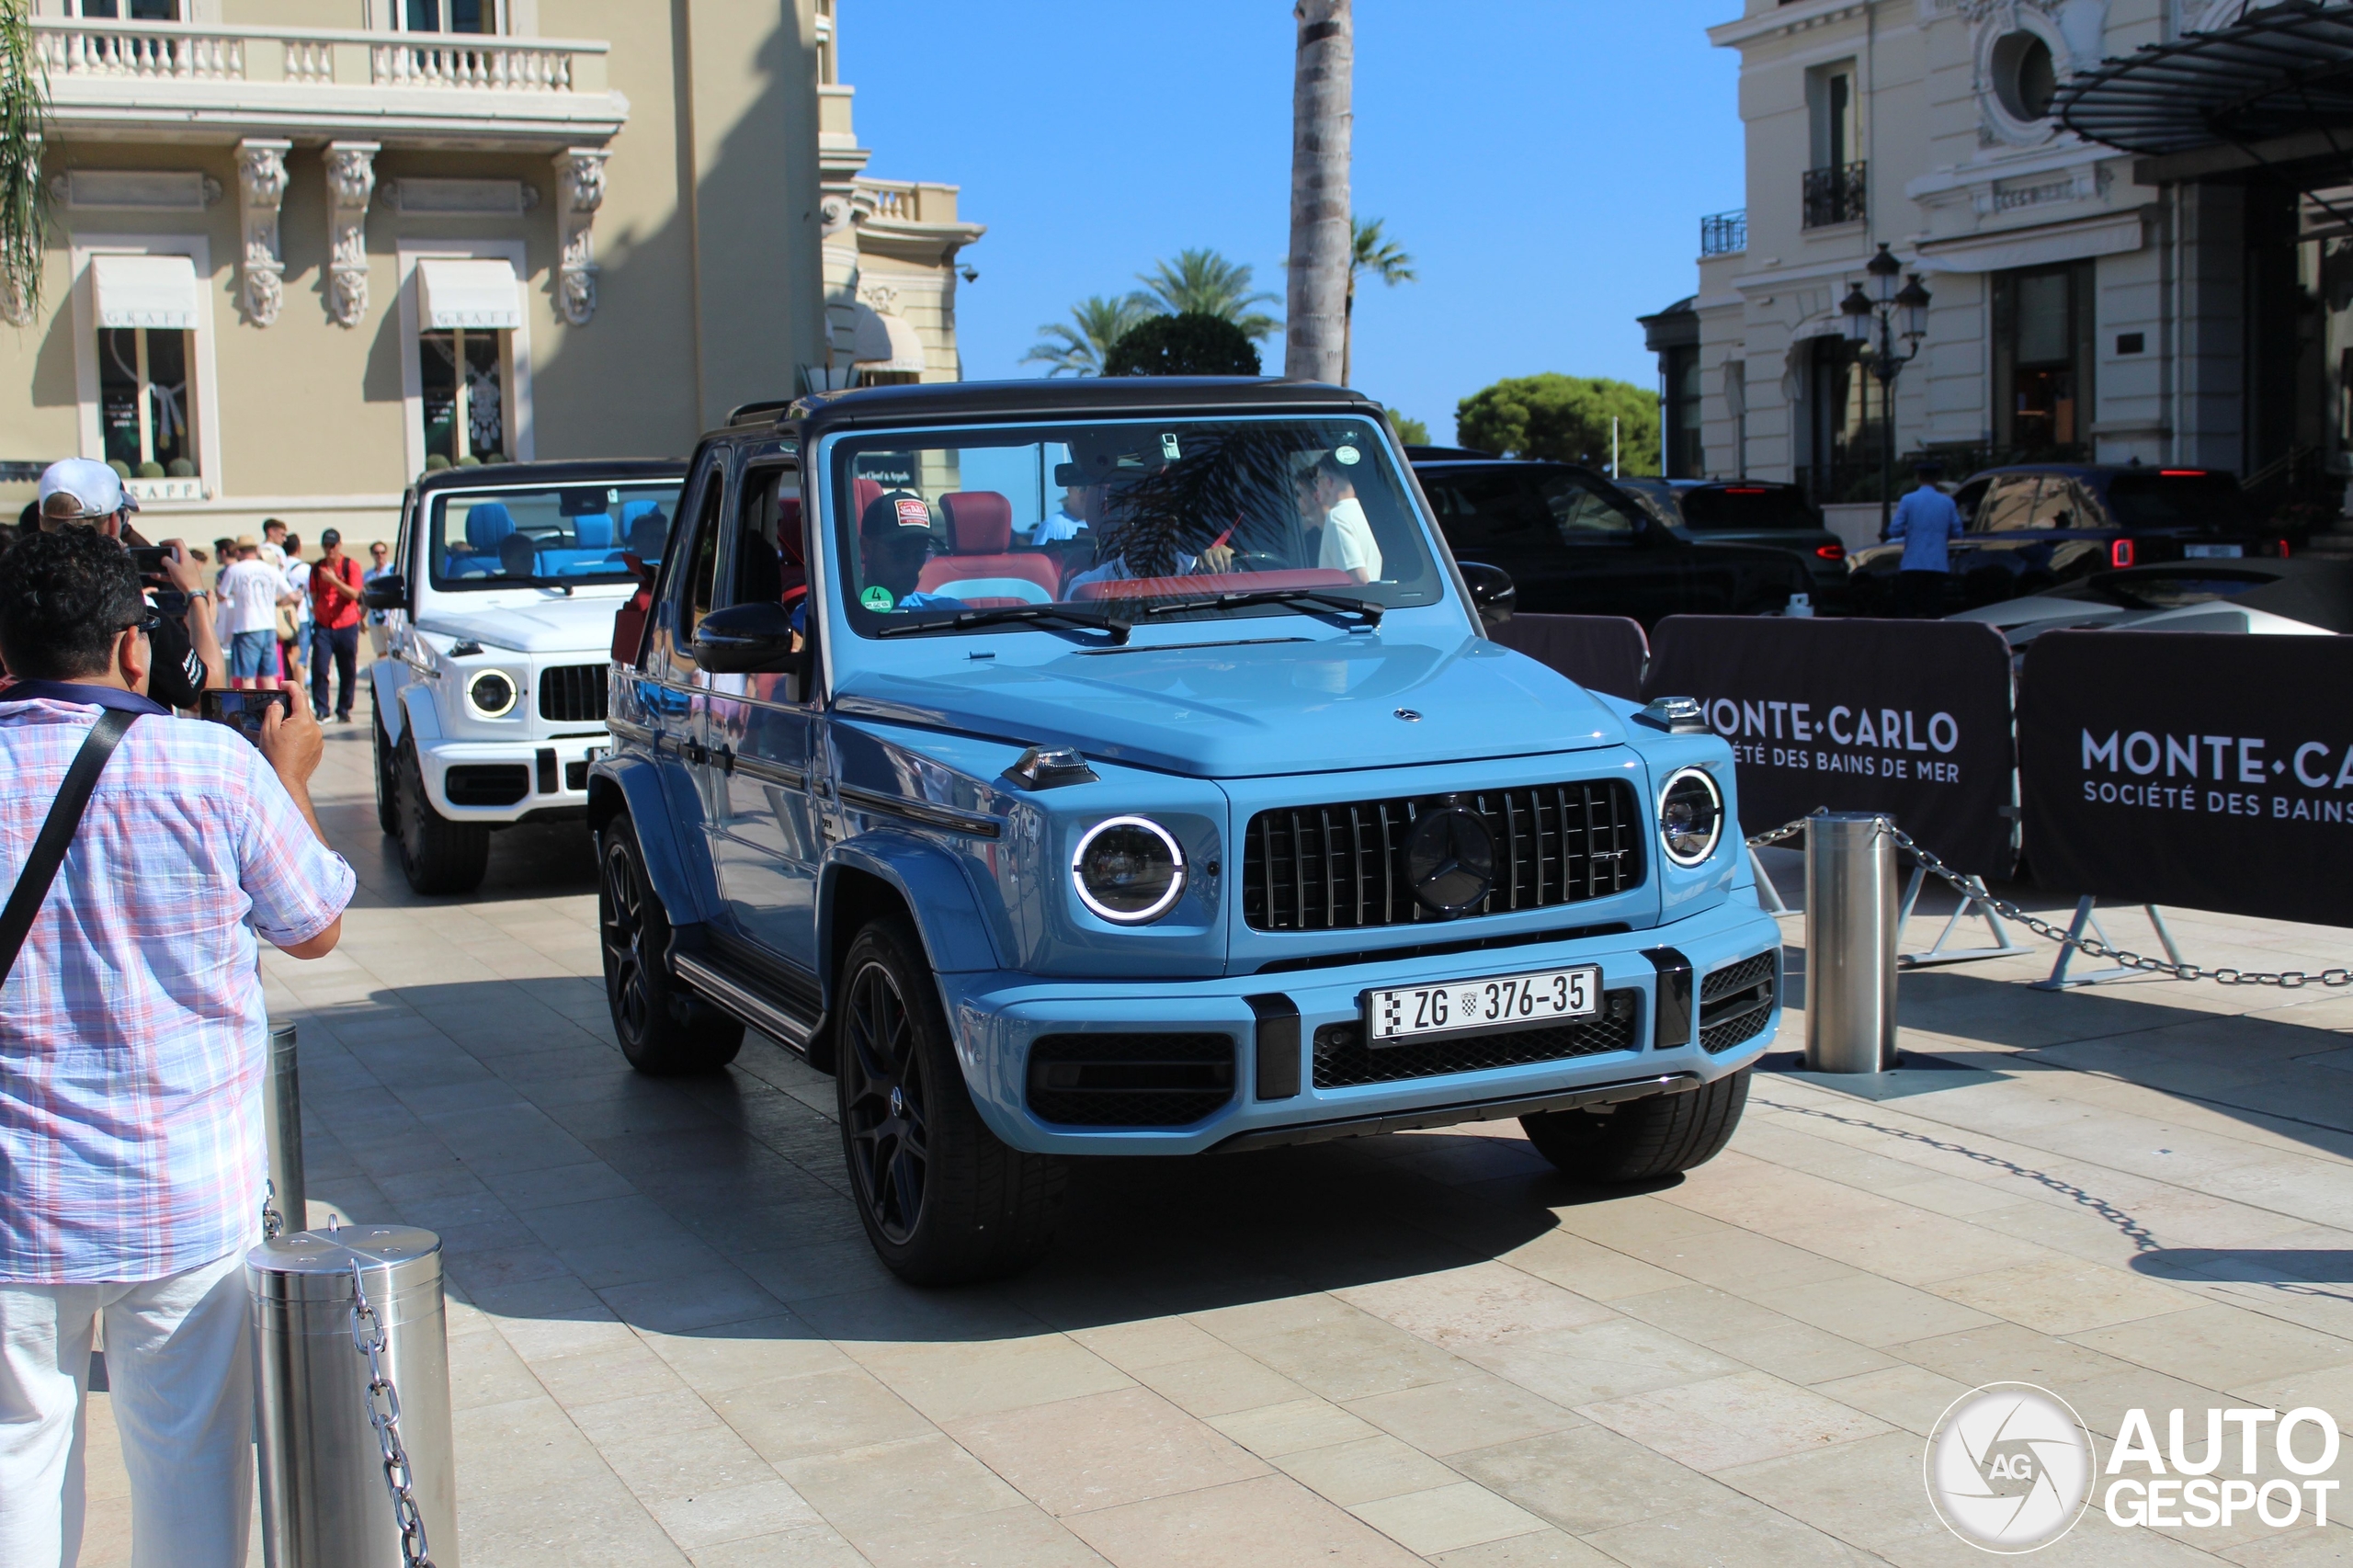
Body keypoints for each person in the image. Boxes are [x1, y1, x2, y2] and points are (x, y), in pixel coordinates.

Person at [0, 526, 353, 1568]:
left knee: (16, 1460)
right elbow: (314, 923)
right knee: (191, 1465)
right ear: (131, 647)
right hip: (181, 1195)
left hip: (13, 1205)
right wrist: (291, 772)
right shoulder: (213, 764)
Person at [27, 460, 223, 710]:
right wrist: (196, 596)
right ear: (113, 523)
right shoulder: (136, 615)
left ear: (42, 521)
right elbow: (209, 696)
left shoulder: (19, 605)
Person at [1887, 461, 1964, 619]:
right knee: (1934, 608)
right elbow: (1957, 532)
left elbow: (1894, 530)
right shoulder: (1947, 502)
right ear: (1937, 479)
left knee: (1908, 607)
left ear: (1918, 478)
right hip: (1938, 563)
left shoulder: (1908, 500)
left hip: (1912, 563)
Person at [1295, 450, 1382, 584]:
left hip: (1350, 604)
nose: (1317, 488)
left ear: (1328, 482)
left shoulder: (1337, 518)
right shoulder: (1363, 515)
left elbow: (1359, 580)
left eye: (1317, 481)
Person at [306, 528, 364, 722]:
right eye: (326, 546)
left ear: (339, 545)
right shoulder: (317, 568)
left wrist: (333, 580)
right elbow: (314, 594)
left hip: (346, 623)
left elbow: (355, 594)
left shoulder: (350, 566)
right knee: (320, 666)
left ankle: (344, 707)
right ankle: (322, 708)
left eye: (333, 545)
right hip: (324, 624)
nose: (329, 550)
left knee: (347, 667)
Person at [216, 538, 290, 688]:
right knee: (269, 676)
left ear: (238, 551)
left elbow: (222, 595)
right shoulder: (270, 569)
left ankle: (250, 710)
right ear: (256, 550)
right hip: (268, 626)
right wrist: (276, 603)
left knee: (247, 677)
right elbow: (290, 594)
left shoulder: (235, 569)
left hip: (246, 627)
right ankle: (276, 708)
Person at [277, 533, 309, 688]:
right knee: (299, 657)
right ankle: (299, 690)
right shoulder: (304, 568)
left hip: (281, 617)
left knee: (286, 654)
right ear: (299, 548)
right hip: (299, 617)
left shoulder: (280, 566)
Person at [1031, 483, 1095, 545]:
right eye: (1083, 488)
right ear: (1069, 490)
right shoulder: (1053, 526)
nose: (1087, 494)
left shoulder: (1101, 525)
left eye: (1092, 489)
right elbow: (1038, 555)